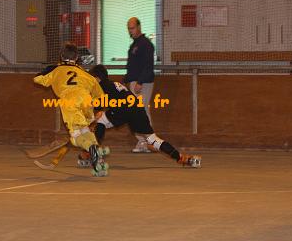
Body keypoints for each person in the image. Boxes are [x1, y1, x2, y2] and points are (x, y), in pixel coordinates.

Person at [78, 64, 200, 168]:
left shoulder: (101, 86)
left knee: (101, 121)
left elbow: (98, 107)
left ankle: (91, 153)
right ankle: (181, 158)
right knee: (152, 139)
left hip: (123, 109)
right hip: (137, 109)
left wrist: (89, 119)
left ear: (97, 78)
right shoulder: (114, 84)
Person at [33, 43, 110, 176]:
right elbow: (101, 96)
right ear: (77, 57)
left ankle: (91, 148)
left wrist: (50, 69)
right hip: (86, 101)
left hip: (69, 102)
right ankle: (98, 159)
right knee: (85, 131)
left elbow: (37, 79)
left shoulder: (56, 71)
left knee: (75, 138)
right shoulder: (86, 74)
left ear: (61, 56)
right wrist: (99, 110)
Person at [124, 17, 156, 153]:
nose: (130, 31)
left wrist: (140, 81)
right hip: (134, 82)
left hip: (143, 83)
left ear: (139, 27)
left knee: (142, 111)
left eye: (132, 28)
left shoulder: (146, 44)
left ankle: (149, 141)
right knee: (136, 111)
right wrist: (126, 79)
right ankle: (143, 141)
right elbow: (132, 65)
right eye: (129, 28)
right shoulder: (135, 44)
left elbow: (148, 65)